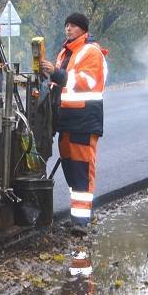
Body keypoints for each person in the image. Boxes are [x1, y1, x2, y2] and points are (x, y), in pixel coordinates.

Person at [50, 12, 108, 234]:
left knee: (82, 170)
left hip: (83, 120)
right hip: (66, 120)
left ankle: (81, 224)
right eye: (66, 25)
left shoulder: (91, 52)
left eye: (73, 26)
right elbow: (60, 86)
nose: (68, 29)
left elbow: (86, 82)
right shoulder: (65, 52)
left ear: (83, 29)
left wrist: (56, 73)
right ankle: (77, 218)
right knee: (71, 170)